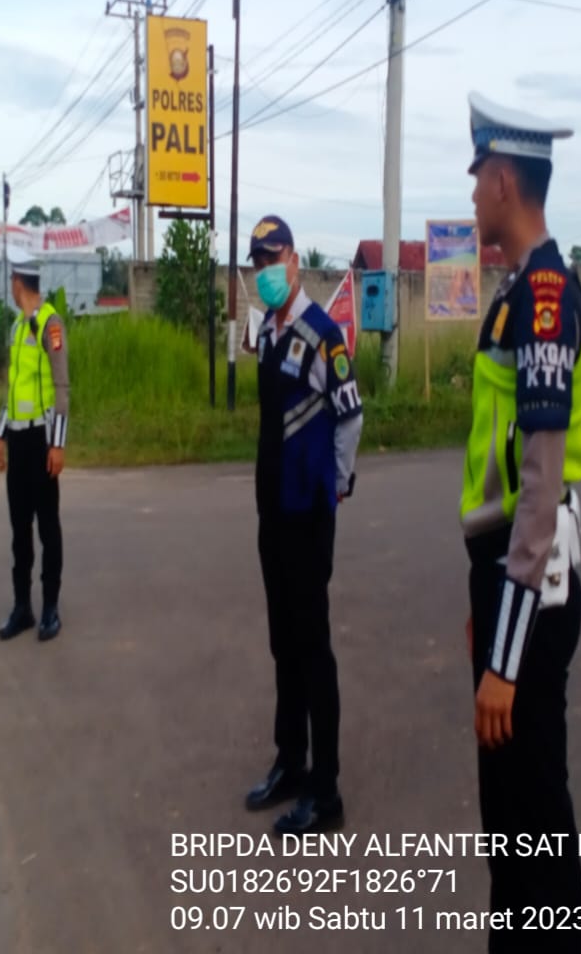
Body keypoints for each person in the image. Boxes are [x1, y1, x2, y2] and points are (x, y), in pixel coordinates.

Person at [460, 93, 581, 951]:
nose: (472, 197)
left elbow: (538, 486)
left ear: (504, 179)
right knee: (508, 818)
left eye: (477, 180)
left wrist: (502, 657)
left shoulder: (542, 298)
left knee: (533, 816)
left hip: (530, 590)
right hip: (510, 581)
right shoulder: (519, 293)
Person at [244, 215, 363, 836]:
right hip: (271, 510)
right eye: (256, 260)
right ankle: (290, 761)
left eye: (272, 257)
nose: (264, 269)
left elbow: (350, 418)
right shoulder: (267, 330)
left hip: (308, 514)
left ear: (294, 260)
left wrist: (336, 487)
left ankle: (328, 789)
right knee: (282, 644)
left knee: (313, 650)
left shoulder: (323, 336)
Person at [0, 261, 69, 642]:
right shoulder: (17, 327)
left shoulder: (50, 324)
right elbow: (13, 389)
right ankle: (22, 606)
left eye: (11, 281)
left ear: (18, 282)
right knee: (19, 530)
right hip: (19, 443)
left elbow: (62, 387)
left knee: (47, 527)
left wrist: (58, 444)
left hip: (42, 441)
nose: (10, 287)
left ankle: (50, 609)